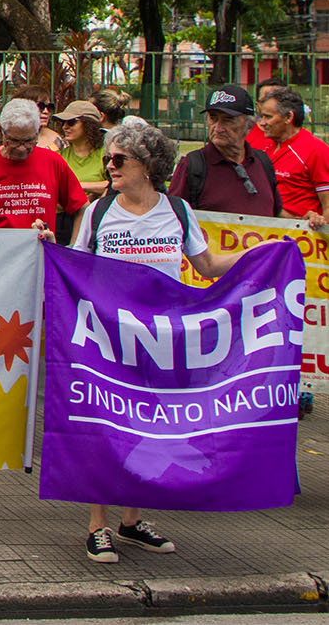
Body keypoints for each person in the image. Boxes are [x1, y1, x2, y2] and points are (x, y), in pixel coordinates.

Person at [52, 122, 236, 563]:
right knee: (106, 430)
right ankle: (97, 525)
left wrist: (263, 254)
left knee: (149, 428)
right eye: (107, 160)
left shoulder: (178, 211)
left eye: (119, 159)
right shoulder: (97, 212)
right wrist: (47, 245)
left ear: (149, 165)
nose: (109, 166)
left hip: (160, 341)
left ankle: (131, 521)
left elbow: (208, 266)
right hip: (109, 340)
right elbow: (75, 266)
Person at [0, 98, 88, 233]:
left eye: (29, 141)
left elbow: (82, 207)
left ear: (37, 131)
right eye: (14, 141)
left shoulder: (53, 161)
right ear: (0, 131)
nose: (22, 148)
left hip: (39, 245)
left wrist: (76, 244)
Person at [168, 85, 280, 218]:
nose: (218, 128)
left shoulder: (262, 161)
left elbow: (276, 213)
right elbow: (173, 219)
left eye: (228, 120)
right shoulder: (193, 166)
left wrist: (301, 221)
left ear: (249, 125)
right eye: (213, 118)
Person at [253, 85, 329, 223]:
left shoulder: (316, 150)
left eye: (268, 117)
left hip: (298, 234)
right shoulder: (264, 146)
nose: (262, 123)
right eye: (261, 117)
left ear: (288, 117)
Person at [54, 99, 108, 198]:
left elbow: (115, 185)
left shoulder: (106, 154)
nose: (65, 127)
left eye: (71, 122)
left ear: (89, 124)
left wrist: (78, 185)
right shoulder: (58, 157)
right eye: (63, 122)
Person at [10, 85, 63, 151]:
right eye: (40, 106)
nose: (46, 111)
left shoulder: (56, 141)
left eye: (49, 107)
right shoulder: (9, 138)